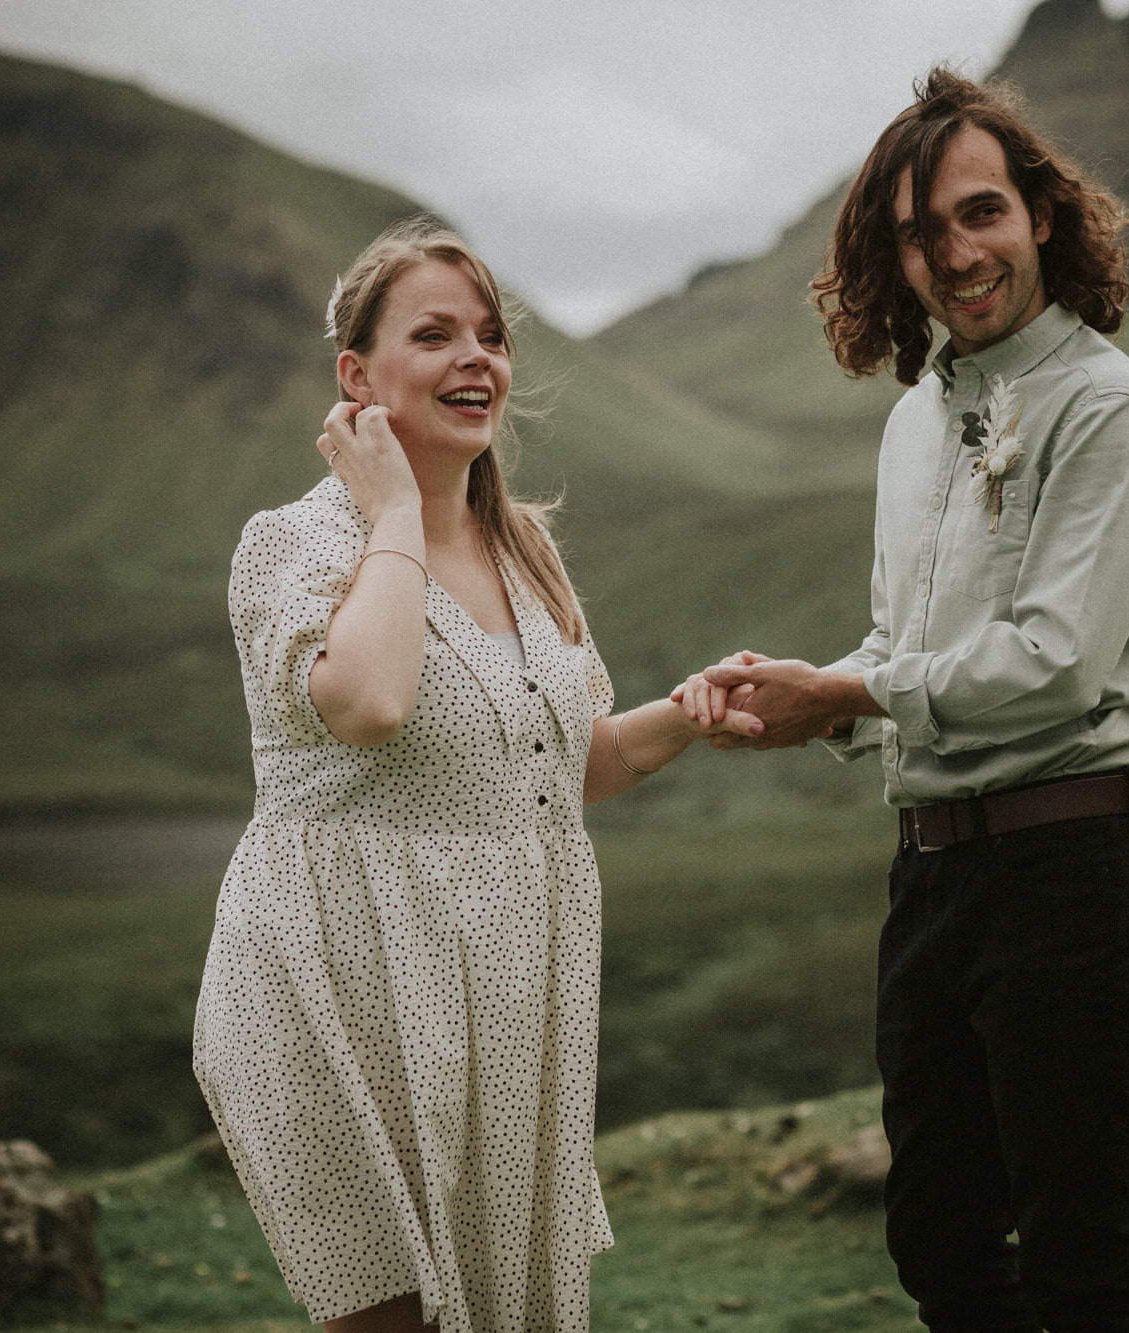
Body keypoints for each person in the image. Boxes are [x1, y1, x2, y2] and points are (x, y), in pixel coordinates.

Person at [678, 68, 1129, 1331]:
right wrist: (808, 700)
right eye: (918, 233)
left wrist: (849, 688)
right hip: (933, 877)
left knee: (1081, 1250)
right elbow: (905, 642)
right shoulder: (914, 423)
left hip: (1073, 859)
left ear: (1039, 217)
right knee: (939, 1239)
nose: (955, 253)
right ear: (888, 257)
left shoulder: (1111, 408)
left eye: (979, 214)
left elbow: (1056, 661)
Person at [192, 216, 761, 1333]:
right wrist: (396, 510)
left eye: (491, 336)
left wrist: (685, 716)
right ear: (356, 375)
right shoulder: (293, 544)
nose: (476, 359)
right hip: (338, 989)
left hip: (503, 997)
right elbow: (368, 702)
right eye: (435, 334)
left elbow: (557, 772)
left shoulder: (523, 554)